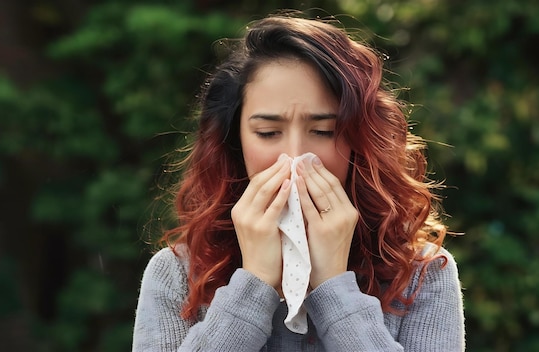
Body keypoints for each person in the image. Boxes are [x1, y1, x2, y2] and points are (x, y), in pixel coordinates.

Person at [132, 12, 465, 352]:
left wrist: (334, 287)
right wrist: (255, 281)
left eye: (323, 132)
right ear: (236, 142)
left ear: (358, 142)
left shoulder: (421, 275)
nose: (294, 157)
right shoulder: (177, 274)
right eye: (268, 133)